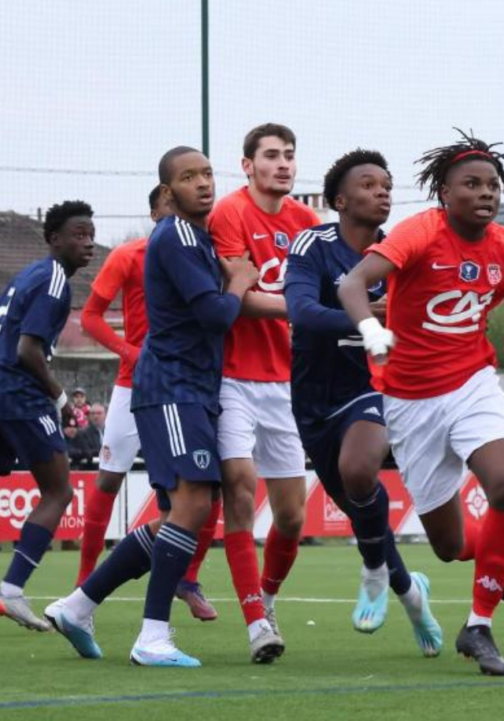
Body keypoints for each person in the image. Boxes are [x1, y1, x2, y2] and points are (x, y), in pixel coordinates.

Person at [338, 129, 504, 676]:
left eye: (493, 185)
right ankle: (494, 562)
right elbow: (353, 283)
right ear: (445, 195)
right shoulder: (419, 234)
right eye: (471, 184)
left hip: (473, 384)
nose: (486, 193)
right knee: (451, 546)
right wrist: (369, 327)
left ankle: (479, 625)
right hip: (410, 402)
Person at [47, 147, 264, 668]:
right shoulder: (178, 236)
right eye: (189, 177)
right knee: (192, 503)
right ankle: (152, 636)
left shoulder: (195, 238)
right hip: (172, 387)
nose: (204, 183)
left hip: (186, 388)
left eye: (208, 173)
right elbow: (214, 316)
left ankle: (78, 606)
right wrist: (238, 281)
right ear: (168, 192)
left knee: (179, 512)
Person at [283, 148, 444, 654]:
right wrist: (367, 318)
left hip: (371, 388)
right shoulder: (314, 245)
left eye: (387, 185)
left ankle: (374, 571)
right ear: (340, 200)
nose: (382, 193)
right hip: (313, 400)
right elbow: (303, 314)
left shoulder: (401, 251)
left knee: (360, 471)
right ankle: (409, 592)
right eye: (370, 184)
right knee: (361, 513)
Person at [0, 200, 95, 637]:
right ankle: (11, 588)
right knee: (59, 490)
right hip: (14, 391)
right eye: (79, 235)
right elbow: (28, 350)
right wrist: (62, 398)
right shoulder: (54, 279)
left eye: (90, 234)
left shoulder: (27, 275)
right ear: (54, 240)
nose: (89, 243)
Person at [74, 186, 221, 621]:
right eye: (168, 205)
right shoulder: (130, 254)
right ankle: (84, 582)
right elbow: (89, 317)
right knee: (109, 482)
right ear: (158, 207)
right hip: (140, 382)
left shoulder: (202, 251)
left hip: (188, 382)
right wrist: (129, 352)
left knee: (198, 492)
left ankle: (186, 579)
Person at [207, 123, 321, 642]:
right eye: (271, 155)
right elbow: (242, 294)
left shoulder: (308, 222)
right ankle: (256, 623)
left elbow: (324, 294)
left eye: (290, 156)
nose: (283, 164)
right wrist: (306, 307)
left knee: (293, 517)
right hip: (231, 377)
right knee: (240, 490)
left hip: (286, 383)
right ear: (247, 165)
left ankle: (268, 597)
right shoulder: (229, 213)